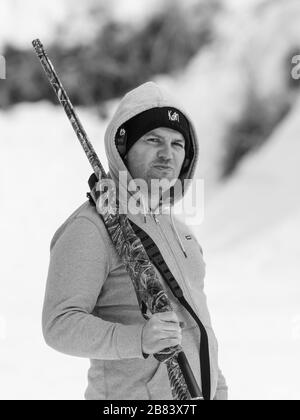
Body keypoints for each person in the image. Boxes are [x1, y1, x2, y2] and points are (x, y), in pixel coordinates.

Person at [42, 81, 228, 400]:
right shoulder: (90, 226)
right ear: (123, 147)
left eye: (177, 143)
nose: (166, 154)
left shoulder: (179, 229)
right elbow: (60, 325)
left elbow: (197, 326)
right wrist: (139, 339)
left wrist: (219, 389)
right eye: (153, 140)